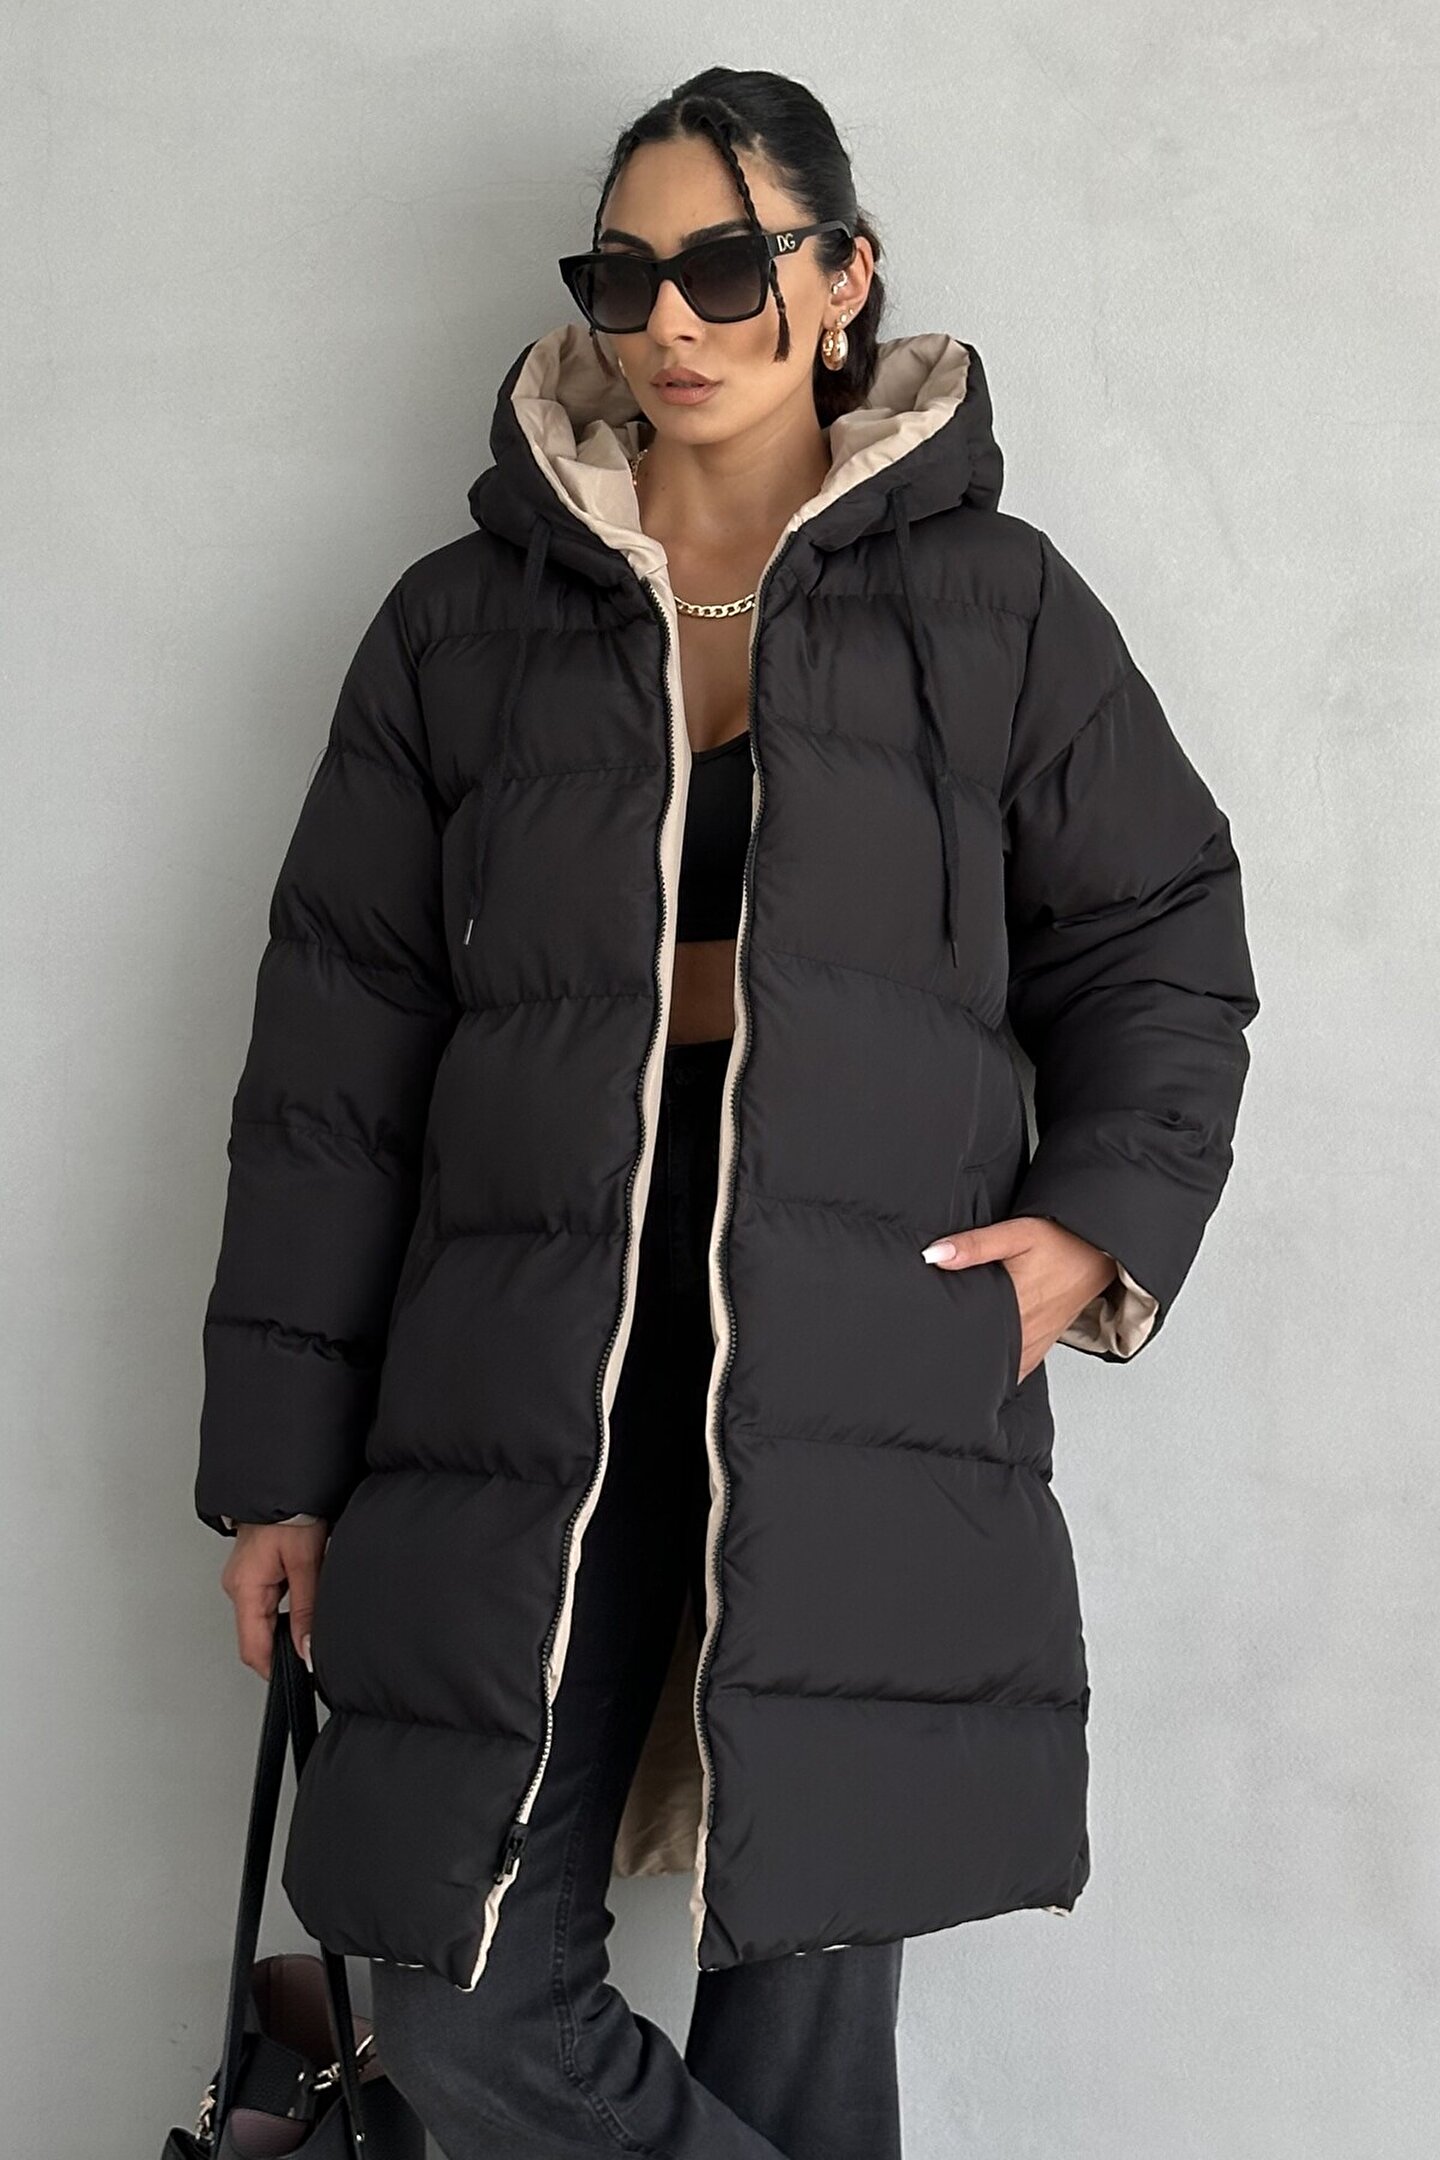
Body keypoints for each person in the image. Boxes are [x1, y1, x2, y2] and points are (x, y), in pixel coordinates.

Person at [197, 64, 1259, 2160]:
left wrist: (1094, 1232)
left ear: (843, 279)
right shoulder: (459, 626)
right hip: (519, 1355)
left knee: (812, 1996)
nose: (669, 321)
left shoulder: (998, 606)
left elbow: (1162, 935)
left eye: (724, 267)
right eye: (624, 277)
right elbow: (334, 1067)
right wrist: (278, 1476)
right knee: (459, 2009)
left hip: (870, 1346)